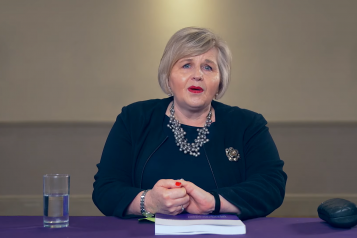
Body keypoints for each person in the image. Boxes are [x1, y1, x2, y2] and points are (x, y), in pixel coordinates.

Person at [92, 27, 287, 221]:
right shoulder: (134, 118)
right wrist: (149, 201)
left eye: (208, 67)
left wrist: (213, 202)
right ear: (168, 77)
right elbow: (106, 188)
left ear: (220, 82)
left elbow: (271, 185)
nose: (197, 75)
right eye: (186, 65)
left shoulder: (247, 125)